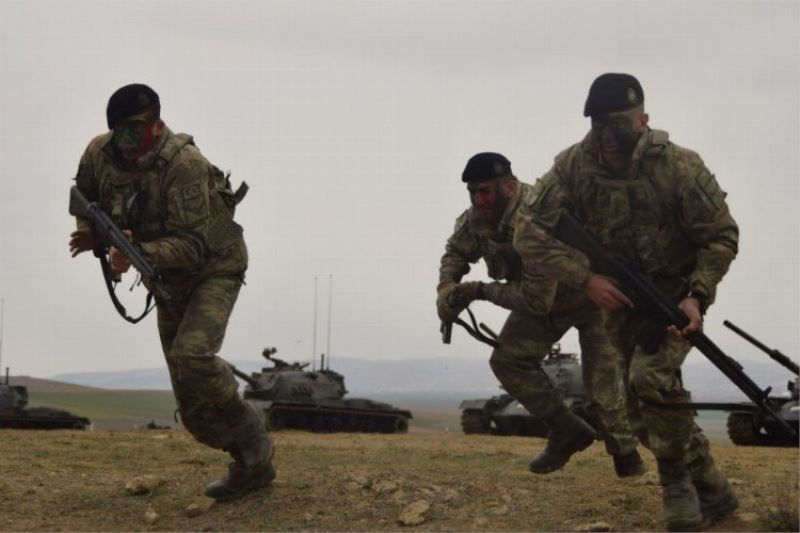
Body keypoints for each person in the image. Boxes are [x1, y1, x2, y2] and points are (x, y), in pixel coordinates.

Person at [518, 73, 739, 531]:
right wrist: (585, 278)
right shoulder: (572, 167)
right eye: (598, 124)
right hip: (617, 302)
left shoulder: (679, 167)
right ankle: (712, 487)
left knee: (649, 380)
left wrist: (697, 296)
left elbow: (721, 237)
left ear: (643, 121)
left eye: (616, 123)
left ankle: (676, 485)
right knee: (636, 411)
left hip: (673, 298)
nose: (606, 135)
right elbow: (527, 231)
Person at [69, 83, 273, 502]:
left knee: (192, 356)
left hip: (215, 266)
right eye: (121, 131)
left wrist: (137, 252)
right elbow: (84, 195)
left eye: (138, 128)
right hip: (167, 278)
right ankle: (250, 465)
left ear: (158, 125)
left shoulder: (185, 166)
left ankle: (250, 428)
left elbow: (194, 245)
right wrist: (94, 235)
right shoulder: (99, 153)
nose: (129, 139)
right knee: (191, 404)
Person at [437, 152, 645, 477]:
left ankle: (626, 455)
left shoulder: (535, 219)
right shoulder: (477, 219)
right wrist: (447, 287)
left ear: (509, 186)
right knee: (508, 361)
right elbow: (455, 251)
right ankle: (568, 431)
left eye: (486, 191)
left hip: (592, 298)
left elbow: (536, 301)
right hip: (544, 299)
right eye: (473, 192)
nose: (479, 200)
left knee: (602, 389)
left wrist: (477, 290)